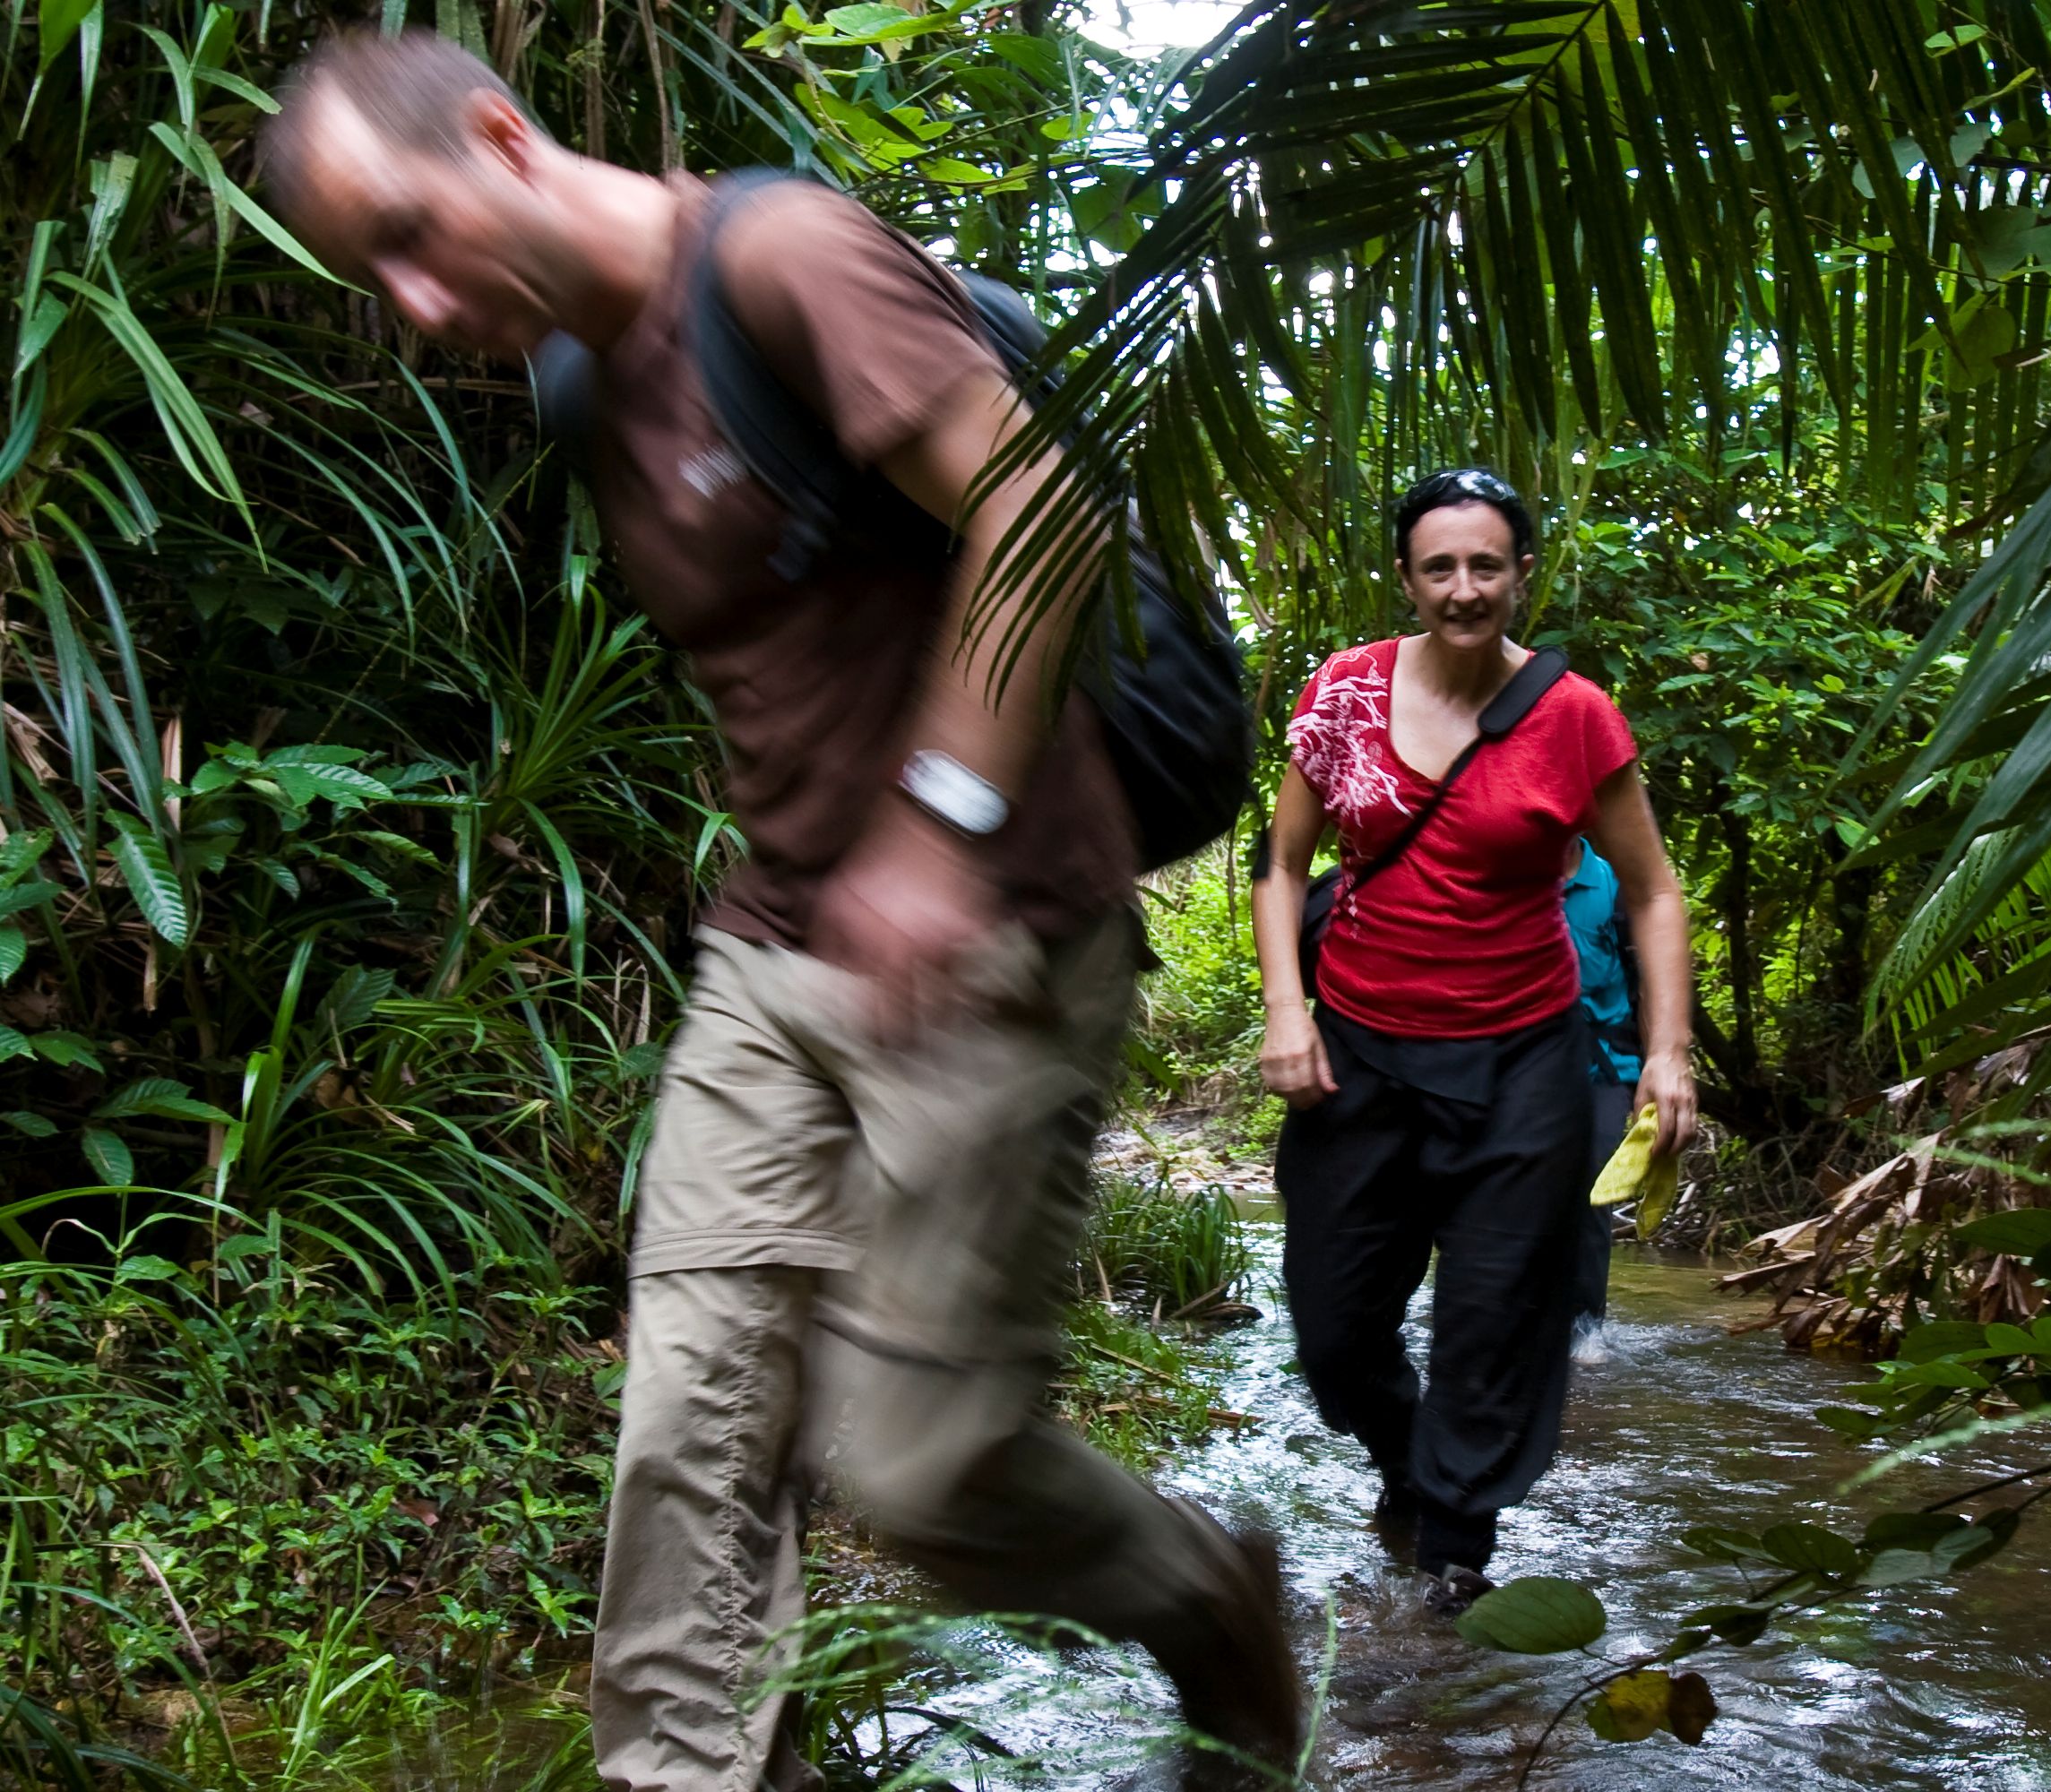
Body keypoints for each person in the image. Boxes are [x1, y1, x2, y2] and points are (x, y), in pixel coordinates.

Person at [256, 33, 1300, 1792]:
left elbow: (1030, 506)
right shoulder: (584, 379)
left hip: (992, 944)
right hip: (769, 958)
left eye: (413, 239)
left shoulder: (783, 260)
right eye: (377, 280)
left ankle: (1208, 1601)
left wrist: (938, 827)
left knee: (922, 1471)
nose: (416, 308)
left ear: (504, 138)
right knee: (687, 1428)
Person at [1251, 469, 1696, 1610]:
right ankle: (1408, 1462)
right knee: (1335, 1322)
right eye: (1439, 566)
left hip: (1520, 1063)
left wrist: (1666, 1049)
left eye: (1484, 565)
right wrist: (1286, 1012)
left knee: (1496, 1315)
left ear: (1519, 574)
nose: (1463, 588)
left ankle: (1454, 1553)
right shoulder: (1344, 691)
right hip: (1357, 1051)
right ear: (1405, 577)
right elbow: (1282, 865)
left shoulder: (1573, 716)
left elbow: (1649, 890)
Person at [1560, 836, 1645, 1359]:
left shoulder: (1614, 885)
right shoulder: (1511, 873)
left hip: (1606, 1069)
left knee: (1591, 1197)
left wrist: (1659, 1070)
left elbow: (1650, 981)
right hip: (1519, 1065)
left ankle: (1585, 1330)